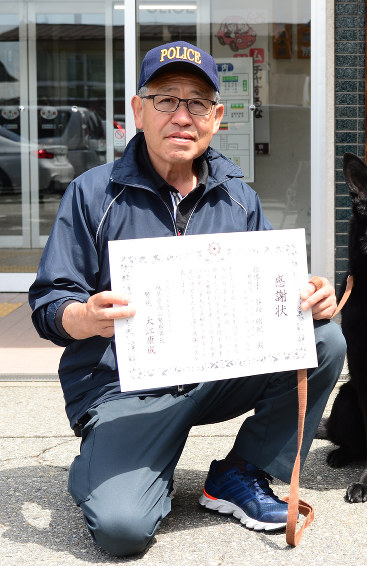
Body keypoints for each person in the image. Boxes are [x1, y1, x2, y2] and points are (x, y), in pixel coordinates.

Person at [28, 41, 346, 556]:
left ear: (217, 117)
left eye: (197, 103)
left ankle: (244, 472)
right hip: (122, 387)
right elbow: (48, 303)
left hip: (211, 373)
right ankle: (111, 463)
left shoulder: (238, 196)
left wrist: (306, 298)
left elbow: (267, 294)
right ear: (138, 110)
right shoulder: (93, 193)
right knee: (123, 530)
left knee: (323, 338)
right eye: (165, 99)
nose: (183, 116)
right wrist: (84, 316)